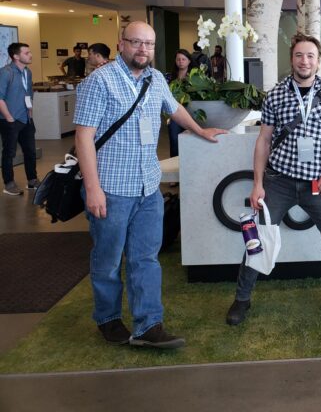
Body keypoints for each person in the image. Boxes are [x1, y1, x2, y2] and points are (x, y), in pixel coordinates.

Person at [74, 21, 227, 349]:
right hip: (111, 188)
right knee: (109, 259)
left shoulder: (157, 79)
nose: (143, 49)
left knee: (146, 258)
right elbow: (84, 137)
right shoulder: (99, 81)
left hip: (148, 188)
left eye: (149, 44)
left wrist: (200, 131)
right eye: (136, 42)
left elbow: (175, 109)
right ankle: (108, 319)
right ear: (121, 44)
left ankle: (148, 325)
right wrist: (92, 188)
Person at [226, 33, 321, 325]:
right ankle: (242, 300)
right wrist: (258, 183)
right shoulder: (276, 94)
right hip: (279, 182)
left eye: (310, 56)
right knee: (257, 242)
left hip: (319, 185)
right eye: (299, 55)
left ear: (318, 61)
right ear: (292, 59)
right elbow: (263, 141)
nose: (305, 61)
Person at [0, 43, 39, 196]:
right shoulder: (6, 72)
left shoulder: (27, 72)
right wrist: (9, 118)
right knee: (9, 153)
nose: (30, 55)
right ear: (16, 56)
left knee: (30, 151)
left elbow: (28, 93)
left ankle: (32, 180)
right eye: (26, 53)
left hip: (25, 118)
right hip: (10, 120)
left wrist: (30, 111)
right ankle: (9, 184)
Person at [167, 49, 192, 158]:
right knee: (174, 140)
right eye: (178, 59)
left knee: (189, 141)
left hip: (191, 113)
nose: (181, 61)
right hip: (174, 113)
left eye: (183, 59)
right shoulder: (169, 77)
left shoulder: (194, 77)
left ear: (189, 61)